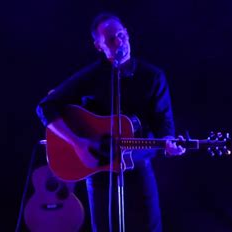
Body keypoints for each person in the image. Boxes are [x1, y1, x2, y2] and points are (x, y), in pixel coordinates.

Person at [36, 13, 185, 232]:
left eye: (121, 35)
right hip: (99, 170)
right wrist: (78, 143)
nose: (119, 42)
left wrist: (170, 144)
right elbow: (46, 106)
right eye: (111, 40)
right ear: (98, 45)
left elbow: (165, 126)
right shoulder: (92, 76)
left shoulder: (153, 77)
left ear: (128, 34)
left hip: (138, 165)